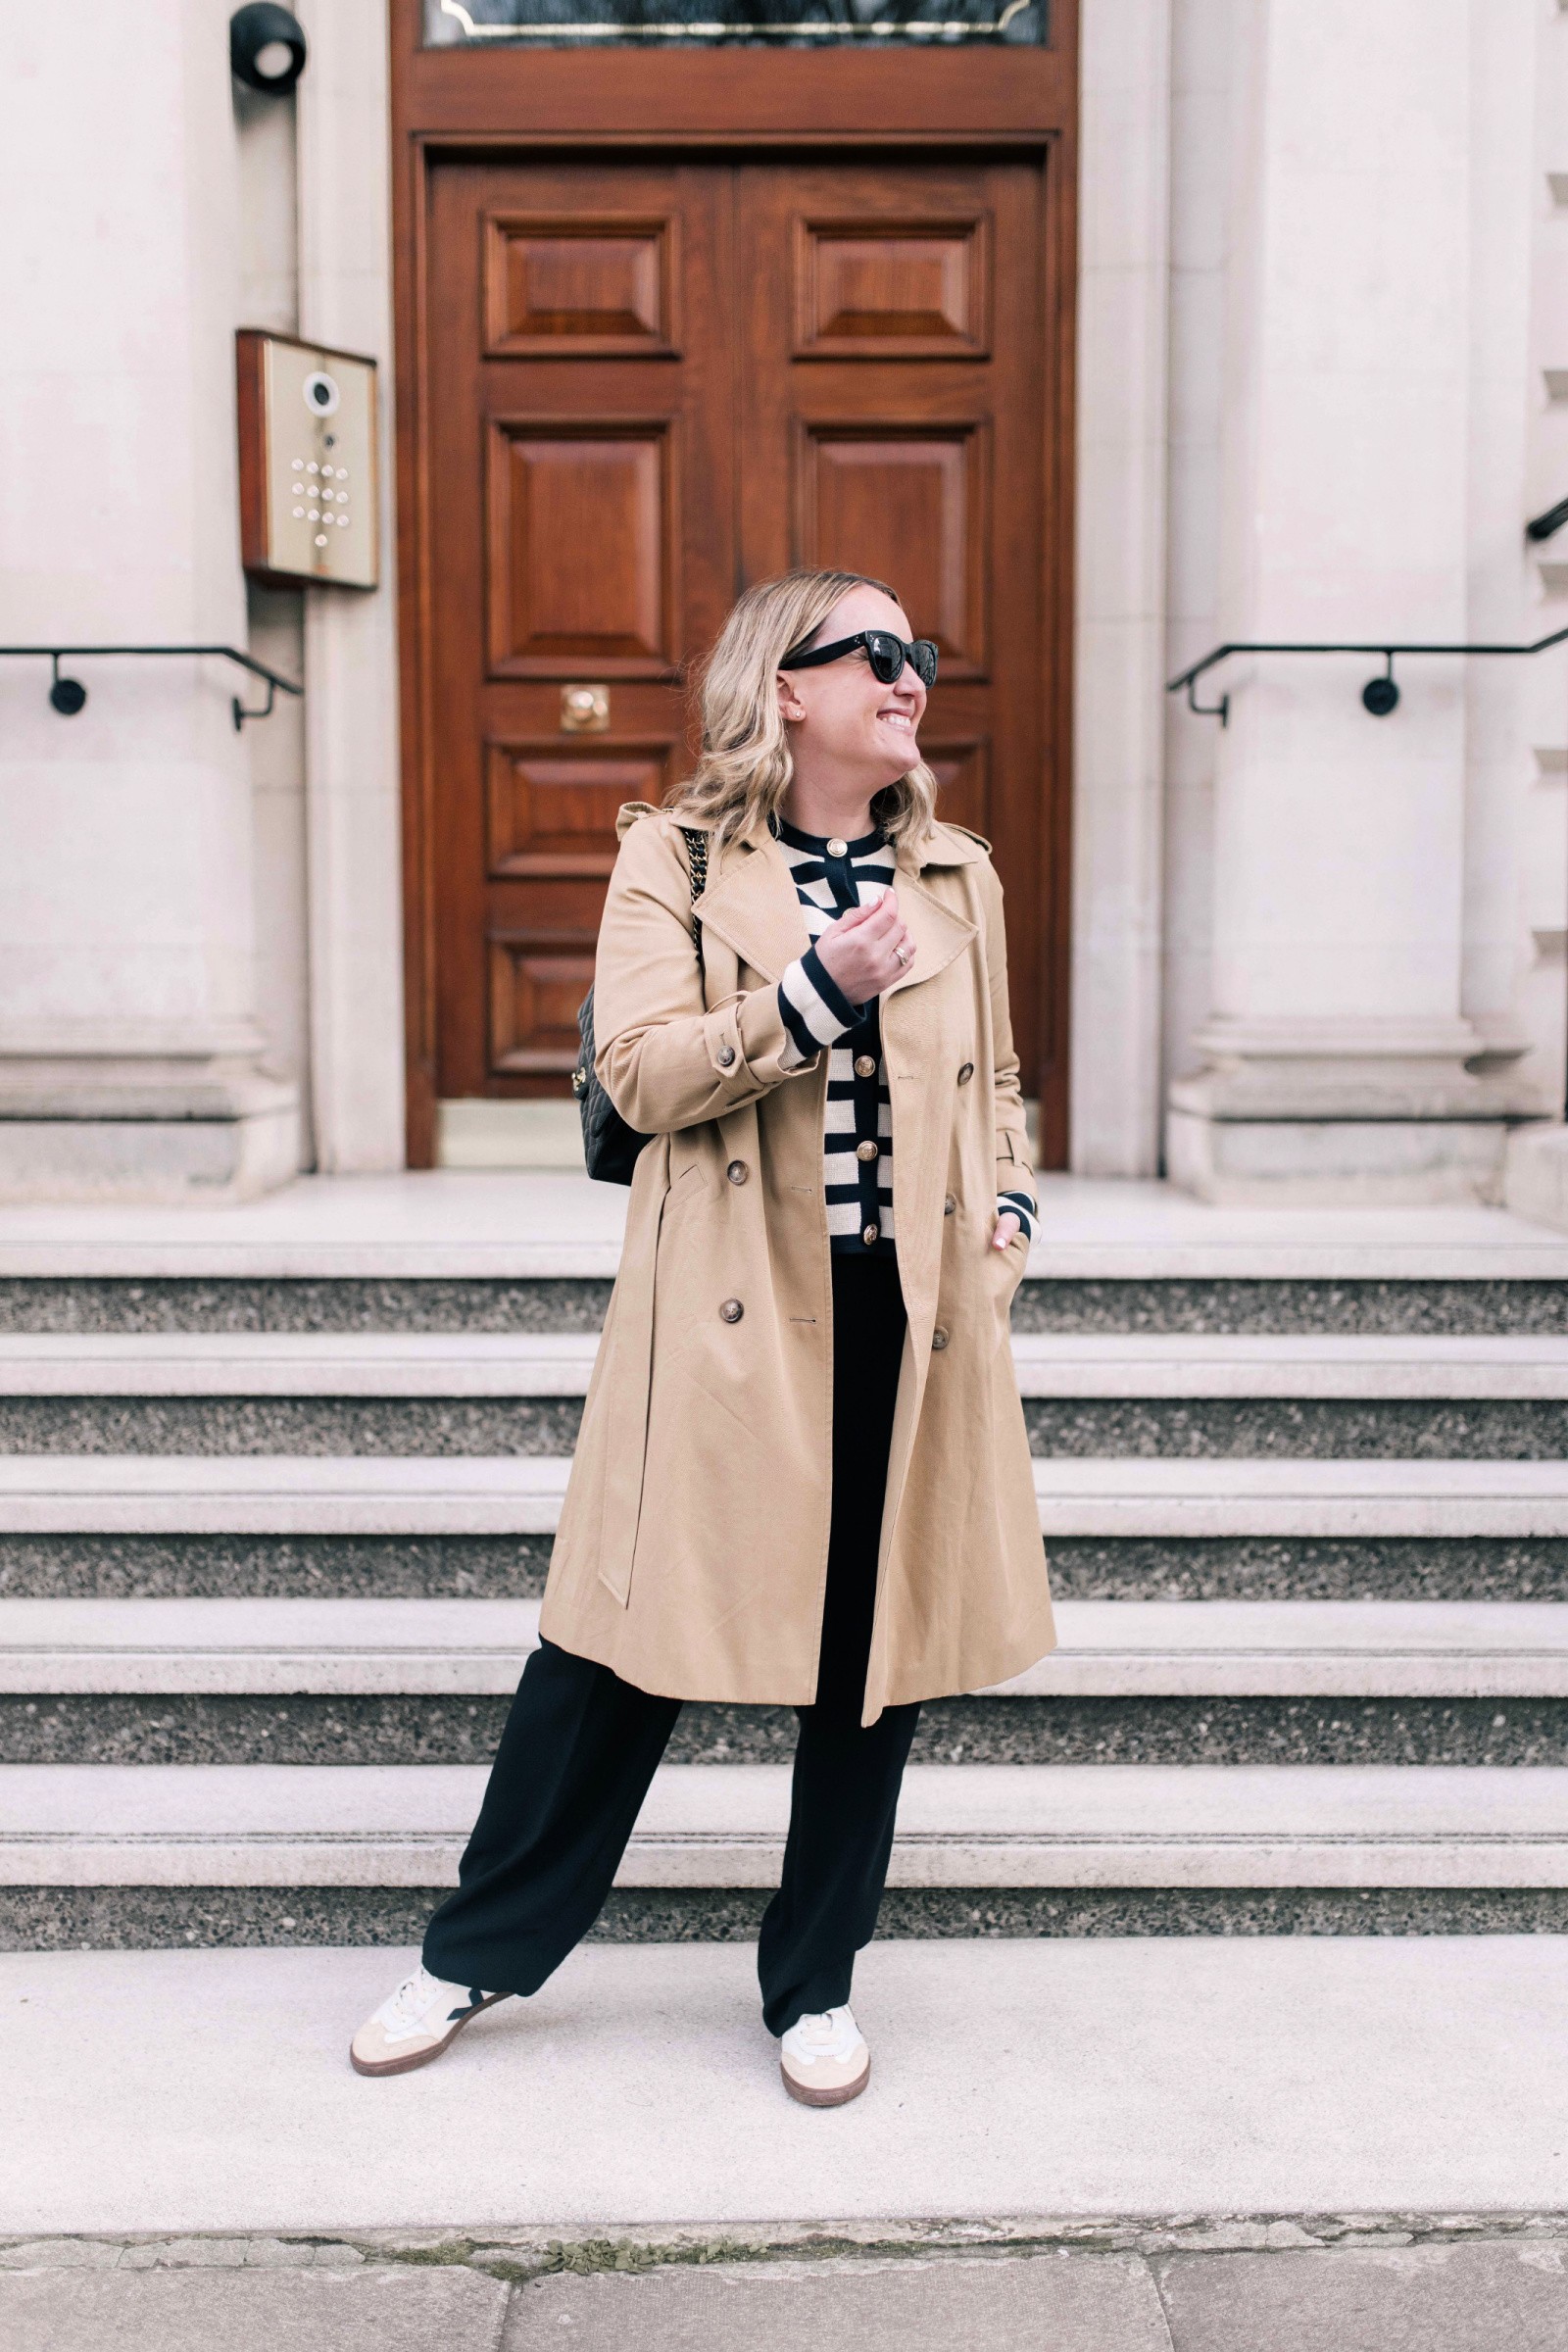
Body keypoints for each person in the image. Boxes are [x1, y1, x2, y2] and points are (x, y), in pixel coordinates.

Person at [350, 567, 1054, 2105]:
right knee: (613, 1646)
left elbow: (993, 1080)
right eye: (872, 652)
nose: (909, 675)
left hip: (907, 1312)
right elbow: (649, 1077)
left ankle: (814, 1982)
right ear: (784, 686)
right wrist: (813, 993)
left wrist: (1010, 1214)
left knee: (874, 1654)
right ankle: (476, 1950)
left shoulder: (959, 876)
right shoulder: (666, 860)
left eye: (918, 651)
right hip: (729, 1310)